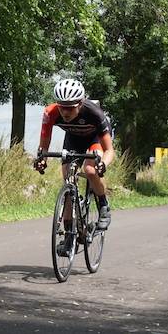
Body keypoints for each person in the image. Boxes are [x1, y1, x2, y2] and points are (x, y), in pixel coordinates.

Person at [33, 79, 115, 257]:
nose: (65, 111)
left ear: (80, 103)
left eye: (70, 107)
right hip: (73, 139)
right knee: (68, 181)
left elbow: (109, 150)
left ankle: (103, 205)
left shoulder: (94, 113)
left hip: (95, 139)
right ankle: (69, 237)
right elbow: (44, 143)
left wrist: (103, 163)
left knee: (90, 170)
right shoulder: (50, 112)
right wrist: (42, 158)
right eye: (62, 106)